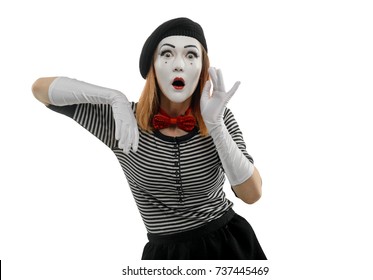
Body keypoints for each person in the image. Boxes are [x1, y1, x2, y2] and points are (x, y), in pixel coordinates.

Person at [32, 17, 267, 260]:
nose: (179, 65)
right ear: (152, 67)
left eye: (191, 55)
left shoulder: (218, 116)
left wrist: (216, 125)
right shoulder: (122, 120)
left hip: (232, 246)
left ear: (202, 69)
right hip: (164, 254)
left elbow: (252, 194)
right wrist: (114, 97)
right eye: (167, 53)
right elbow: (40, 90)